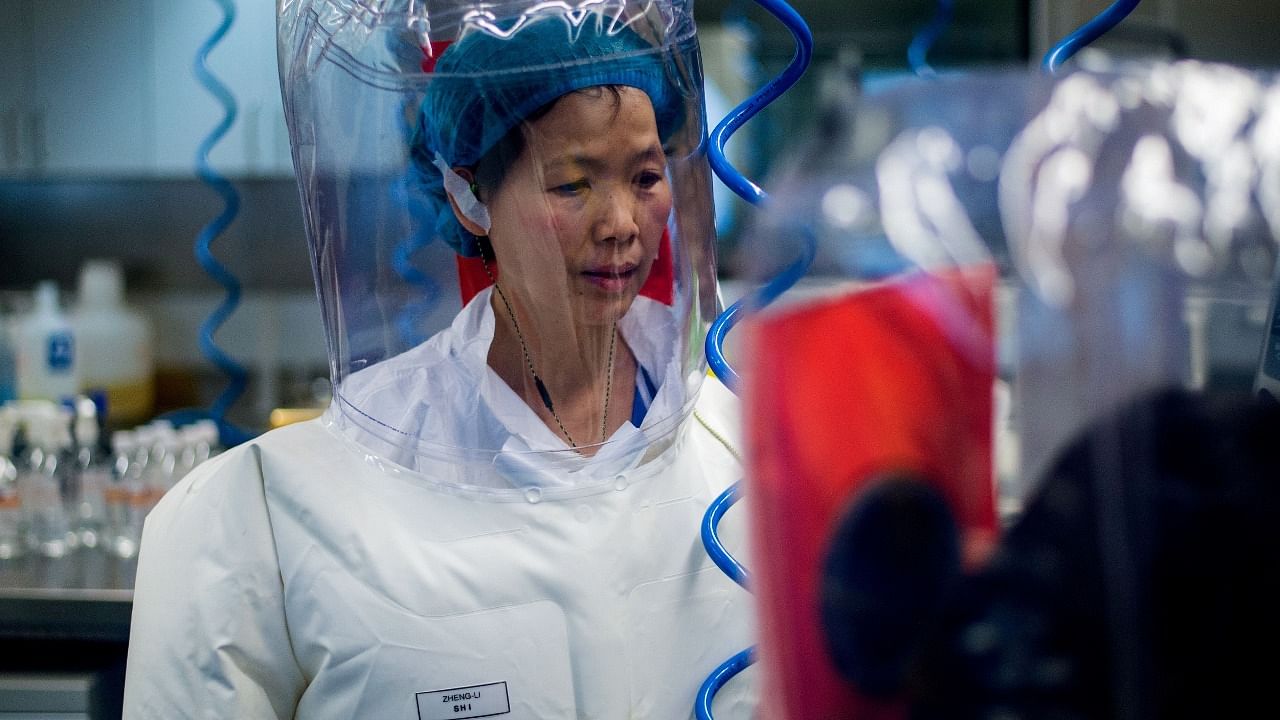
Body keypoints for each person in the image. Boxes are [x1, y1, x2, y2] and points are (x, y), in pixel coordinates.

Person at [123, 3, 756, 718]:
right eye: (572, 184)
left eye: (644, 178)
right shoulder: (292, 505)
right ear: (467, 195)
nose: (620, 225)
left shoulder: (747, 450)